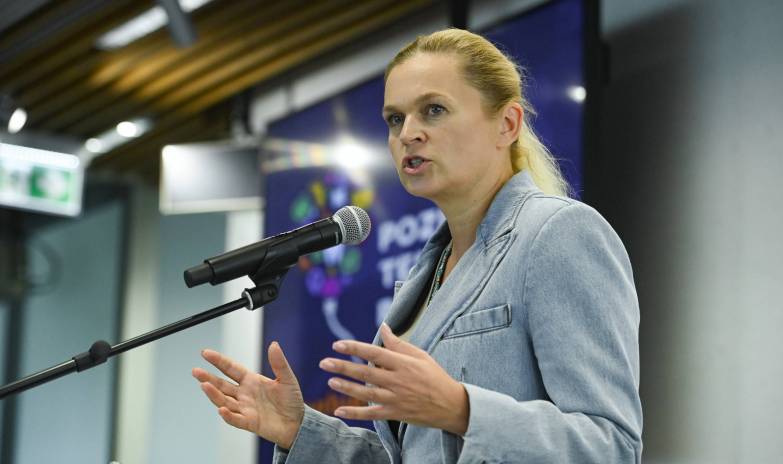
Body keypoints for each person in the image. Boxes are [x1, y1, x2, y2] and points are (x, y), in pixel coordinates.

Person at [192, 29, 642, 463]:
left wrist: (462, 409)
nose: (408, 133)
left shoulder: (559, 233)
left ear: (506, 124)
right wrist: (300, 431)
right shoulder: (424, 277)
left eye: (434, 110)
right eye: (395, 119)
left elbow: (612, 446)